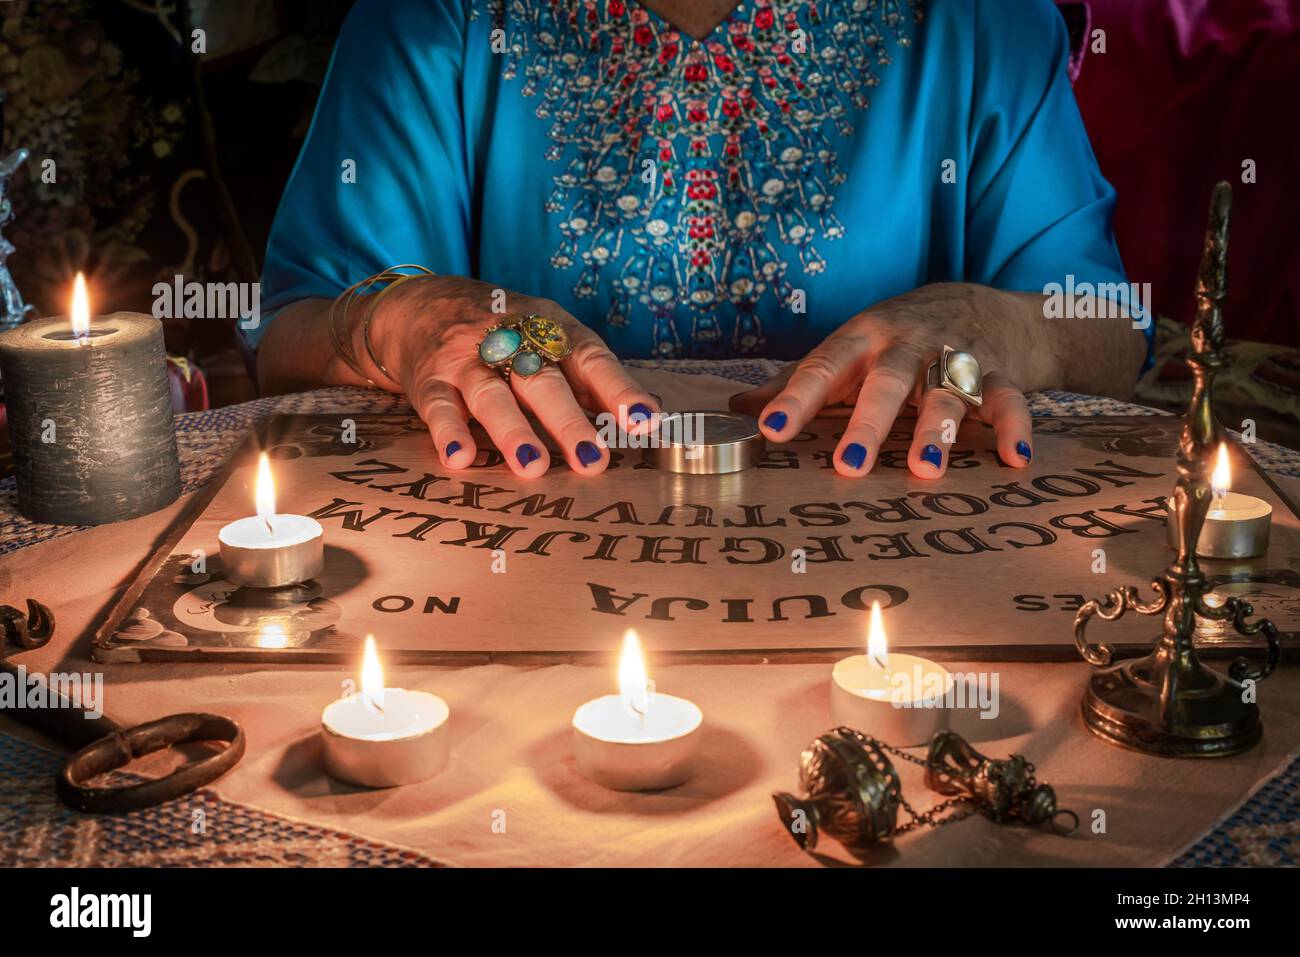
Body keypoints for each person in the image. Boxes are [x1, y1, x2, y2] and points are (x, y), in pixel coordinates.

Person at [251, 0, 1149, 480]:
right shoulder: (434, 18)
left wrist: (993, 325)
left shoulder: (979, 20)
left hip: (900, 563)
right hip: (526, 545)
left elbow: (1107, 325)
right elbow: (293, 333)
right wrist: (412, 320)